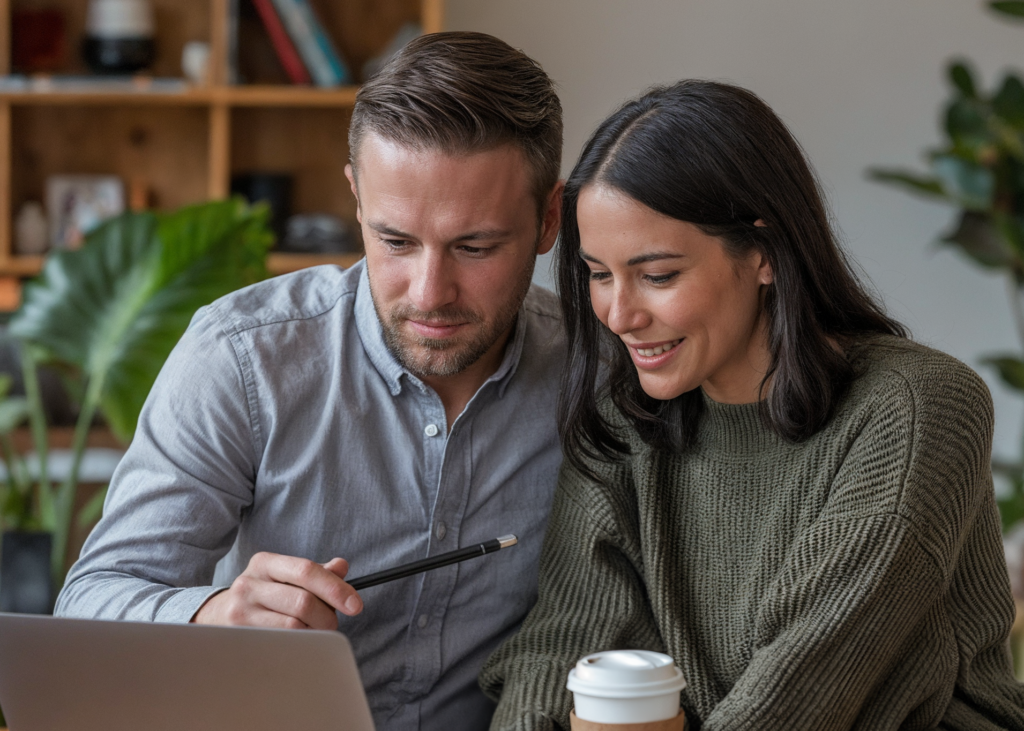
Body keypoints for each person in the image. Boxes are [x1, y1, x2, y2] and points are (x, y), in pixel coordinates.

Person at [56, 32, 566, 731]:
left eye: (474, 247)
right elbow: (90, 601)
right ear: (356, 196)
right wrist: (211, 614)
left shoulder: (595, 372)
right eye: (395, 240)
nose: (430, 292)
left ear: (548, 219)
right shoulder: (243, 358)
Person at [481, 80, 1024, 730]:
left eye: (657, 275)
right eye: (599, 274)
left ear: (764, 252)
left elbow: (804, 688)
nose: (618, 314)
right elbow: (558, 648)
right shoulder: (627, 424)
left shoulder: (916, 408)